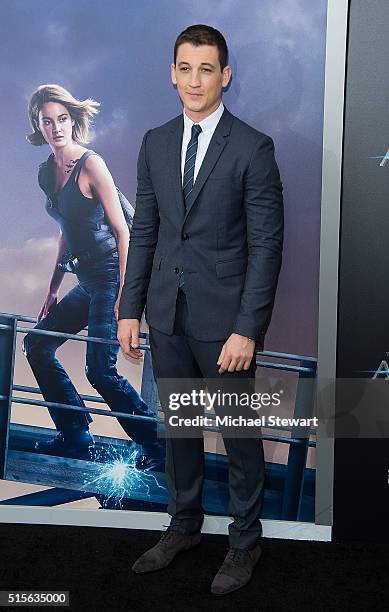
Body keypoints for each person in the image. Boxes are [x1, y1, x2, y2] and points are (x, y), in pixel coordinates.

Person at [118, 25, 283, 595]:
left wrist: (248, 328)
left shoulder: (253, 147)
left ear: (225, 76)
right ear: (172, 73)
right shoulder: (155, 142)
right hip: (166, 314)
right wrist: (128, 308)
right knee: (180, 429)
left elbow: (266, 246)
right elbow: (145, 231)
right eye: (185, 68)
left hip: (225, 325)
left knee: (238, 433)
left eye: (206, 69)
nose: (194, 80)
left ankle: (244, 543)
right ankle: (184, 525)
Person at [23, 84, 164, 469]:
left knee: (100, 369)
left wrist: (125, 294)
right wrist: (52, 290)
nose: (56, 128)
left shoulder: (91, 164)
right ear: (38, 126)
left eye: (62, 119)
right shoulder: (45, 173)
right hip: (85, 280)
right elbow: (66, 230)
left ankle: (157, 447)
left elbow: (123, 232)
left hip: (109, 276)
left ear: (73, 120)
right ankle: (75, 433)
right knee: (36, 344)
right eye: (47, 121)